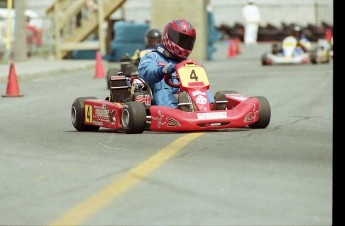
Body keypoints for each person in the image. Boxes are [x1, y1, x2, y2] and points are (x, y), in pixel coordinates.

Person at [138, 18, 219, 111]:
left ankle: (210, 106)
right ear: (169, 37)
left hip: (183, 92)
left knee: (200, 85)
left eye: (188, 41)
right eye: (181, 40)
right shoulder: (152, 56)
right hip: (159, 95)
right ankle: (175, 109)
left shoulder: (186, 62)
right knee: (161, 88)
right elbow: (147, 74)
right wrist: (162, 71)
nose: (184, 44)